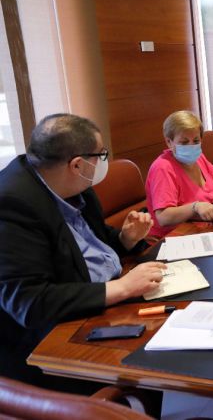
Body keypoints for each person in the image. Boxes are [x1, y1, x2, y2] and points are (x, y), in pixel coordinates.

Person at [0, 113, 167, 389]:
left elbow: (89, 244)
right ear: (77, 164)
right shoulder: (12, 205)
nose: (104, 161)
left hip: (106, 300)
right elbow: (29, 302)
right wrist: (122, 288)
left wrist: (125, 239)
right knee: (155, 364)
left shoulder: (74, 184)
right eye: (101, 154)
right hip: (48, 345)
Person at [145, 111, 213, 238]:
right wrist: (195, 207)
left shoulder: (199, 158)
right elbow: (163, 217)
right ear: (169, 142)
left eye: (196, 141)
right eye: (184, 142)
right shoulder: (162, 168)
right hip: (175, 237)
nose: (191, 146)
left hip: (206, 229)